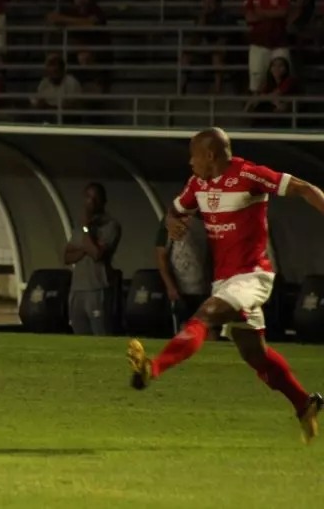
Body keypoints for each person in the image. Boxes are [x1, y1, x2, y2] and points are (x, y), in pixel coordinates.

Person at [127, 127, 324, 444]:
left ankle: (153, 367)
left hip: (252, 277)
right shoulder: (197, 184)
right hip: (225, 281)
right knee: (256, 356)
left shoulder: (249, 175)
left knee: (205, 315)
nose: (190, 162)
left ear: (210, 154)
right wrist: (171, 223)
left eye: (193, 155)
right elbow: (174, 212)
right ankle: (305, 404)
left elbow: (302, 188)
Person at [64, 182, 121, 336]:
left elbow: (96, 254)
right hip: (77, 290)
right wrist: (85, 249)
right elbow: (67, 257)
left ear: (103, 201)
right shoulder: (79, 227)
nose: (91, 202)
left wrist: (86, 230)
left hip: (97, 288)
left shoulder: (110, 226)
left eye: (96, 198)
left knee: (101, 334)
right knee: (80, 336)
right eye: (88, 197)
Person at [155, 212, 210, 334]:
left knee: (208, 328)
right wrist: (170, 287)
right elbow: (160, 255)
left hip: (206, 287)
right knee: (185, 328)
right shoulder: (172, 220)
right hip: (182, 289)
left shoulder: (210, 218)